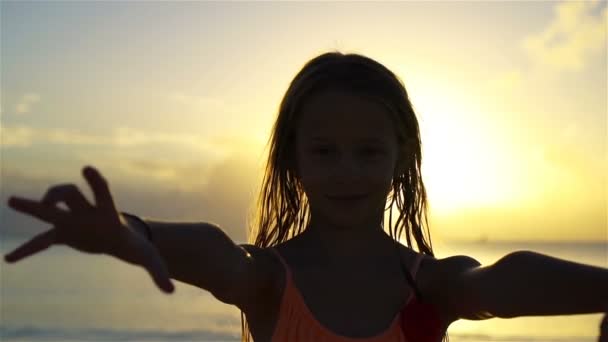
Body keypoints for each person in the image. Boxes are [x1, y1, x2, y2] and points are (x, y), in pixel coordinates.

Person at [4, 52, 608, 342]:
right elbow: (219, 255)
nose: (347, 171)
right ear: (294, 159)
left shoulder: (433, 285)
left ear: (402, 161)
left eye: (368, 152)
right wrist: (133, 233)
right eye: (324, 151)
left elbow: (505, 284)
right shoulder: (271, 280)